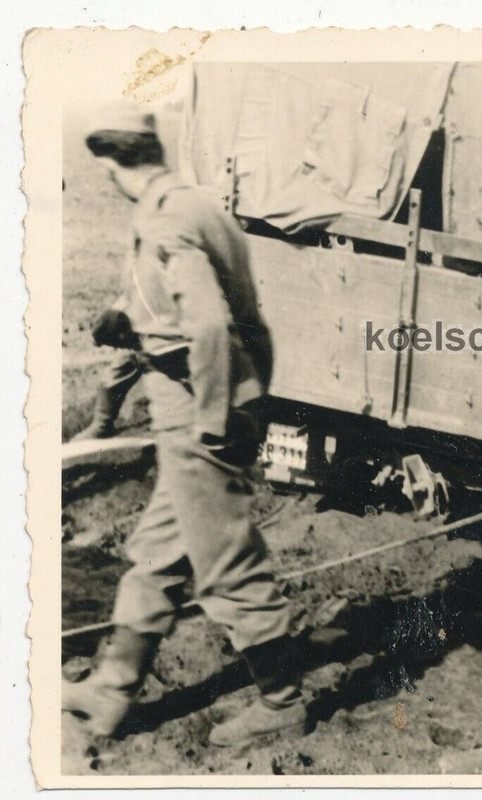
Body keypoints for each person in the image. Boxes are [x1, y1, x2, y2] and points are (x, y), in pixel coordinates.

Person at [62, 102, 307, 746]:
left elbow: (208, 325)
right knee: (156, 555)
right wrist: (128, 316)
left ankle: (283, 702)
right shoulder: (198, 204)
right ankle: (111, 691)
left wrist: (213, 421)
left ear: (112, 165)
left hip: (198, 408)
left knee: (226, 564)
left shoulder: (165, 220)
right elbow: (222, 308)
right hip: (213, 401)